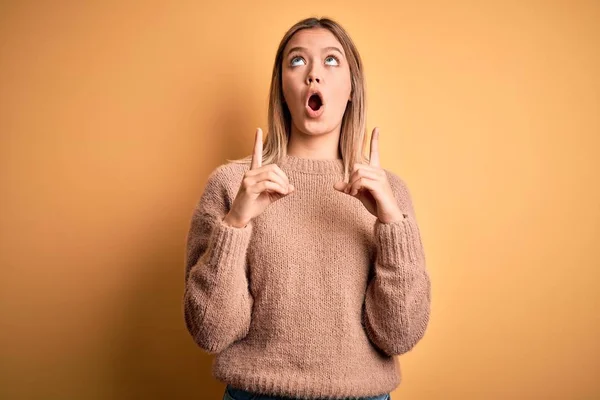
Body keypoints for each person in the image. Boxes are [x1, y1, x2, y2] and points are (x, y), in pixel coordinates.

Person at [183, 16, 431, 400]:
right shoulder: (232, 185)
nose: (314, 74)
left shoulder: (389, 193)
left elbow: (399, 333)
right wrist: (236, 222)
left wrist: (391, 223)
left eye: (331, 60)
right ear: (283, 89)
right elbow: (210, 331)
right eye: (297, 61)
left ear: (351, 88)